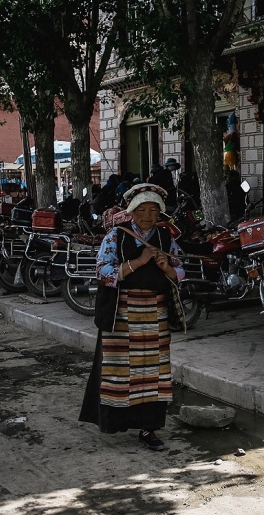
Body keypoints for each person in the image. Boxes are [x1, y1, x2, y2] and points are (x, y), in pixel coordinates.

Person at [79, 184, 185, 451]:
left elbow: (180, 271)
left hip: (155, 313)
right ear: (132, 211)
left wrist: (167, 268)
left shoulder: (166, 236)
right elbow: (102, 272)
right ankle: (116, 422)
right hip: (122, 314)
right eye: (142, 210)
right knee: (120, 370)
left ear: (160, 212)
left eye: (153, 210)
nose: (148, 215)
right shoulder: (115, 236)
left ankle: (149, 429)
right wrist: (139, 261)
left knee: (153, 372)